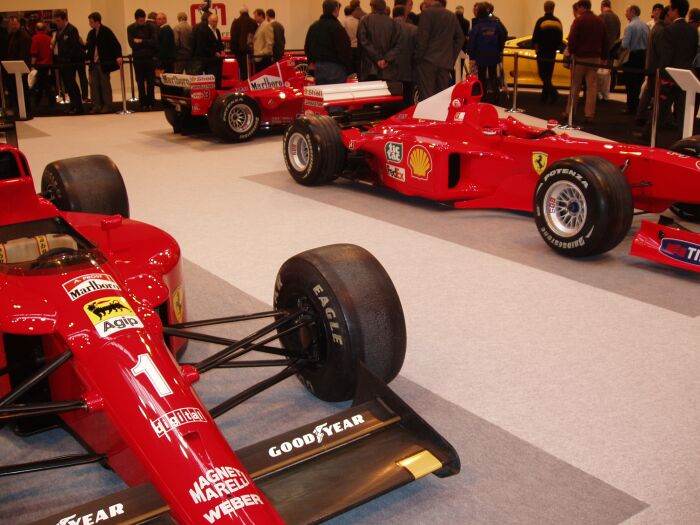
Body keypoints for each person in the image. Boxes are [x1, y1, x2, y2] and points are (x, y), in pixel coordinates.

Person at [653, 0, 698, 139]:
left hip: (671, 75)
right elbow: (693, 52)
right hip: (686, 76)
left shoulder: (669, 29)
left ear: (676, 10)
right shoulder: (693, 30)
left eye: (671, 9)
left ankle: (649, 134)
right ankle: (683, 138)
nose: (669, 12)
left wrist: (663, 76)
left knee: (661, 108)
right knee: (683, 111)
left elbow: (666, 55)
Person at [564, 0, 608, 123]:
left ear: (582, 7)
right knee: (591, 87)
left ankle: (570, 111)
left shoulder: (579, 20)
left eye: (578, 8)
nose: (577, 10)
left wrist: (571, 52)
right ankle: (589, 114)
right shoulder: (599, 20)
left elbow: (572, 38)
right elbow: (605, 40)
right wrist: (604, 57)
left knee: (575, 86)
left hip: (580, 58)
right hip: (594, 58)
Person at [415, 0, 463, 100]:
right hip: (445, 63)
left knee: (427, 99)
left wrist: (417, 58)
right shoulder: (451, 16)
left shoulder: (427, 13)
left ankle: (427, 116)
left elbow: (422, 39)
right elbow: (460, 38)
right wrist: (451, 57)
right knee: (441, 99)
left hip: (427, 62)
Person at [304, 0, 353, 85]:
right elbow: (344, 50)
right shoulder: (337, 27)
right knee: (336, 95)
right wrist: (349, 69)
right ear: (336, 9)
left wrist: (311, 62)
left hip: (318, 68)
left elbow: (307, 46)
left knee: (323, 96)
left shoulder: (313, 27)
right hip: (336, 69)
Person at [635, 5, 668, 126]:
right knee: (651, 92)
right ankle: (647, 120)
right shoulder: (661, 30)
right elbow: (660, 52)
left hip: (651, 66)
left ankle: (641, 116)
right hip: (656, 68)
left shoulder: (656, 28)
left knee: (648, 91)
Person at [85, 12, 122, 114]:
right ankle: (96, 105)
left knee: (105, 84)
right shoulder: (91, 33)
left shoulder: (106, 31)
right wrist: (87, 57)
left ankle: (107, 105)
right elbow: (89, 48)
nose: (90, 23)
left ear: (97, 21)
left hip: (103, 63)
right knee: (93, 84)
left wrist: (119, 56)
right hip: (93, 64)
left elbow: (116, 44)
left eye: (91, 21)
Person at [468, 2, 505, 103]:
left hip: (481, 54)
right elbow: (502, 36)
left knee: (482, 76)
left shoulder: (477, 26)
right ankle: (496, 95)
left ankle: (483, 96)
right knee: (493, 75)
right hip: (493, 53)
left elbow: (472, 41)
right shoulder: (495, 24)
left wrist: (472, 55)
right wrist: (499, 49)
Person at [357, 0, 402, 81]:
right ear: (385, 8)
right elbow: (398, 45)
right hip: (388, 69)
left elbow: (363, 41)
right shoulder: (394, 23)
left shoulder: (365, 20)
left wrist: (377, 58)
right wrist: (386, 59)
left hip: (369, 69)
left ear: (372, 7)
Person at [532, 1, 564, 103]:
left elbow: (535, 36)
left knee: (542, 73)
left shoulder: (541, 21)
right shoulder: (558, 22)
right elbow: (560, 39)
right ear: (553, 8)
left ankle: (554, 93)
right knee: (548, 74)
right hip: (552, 52)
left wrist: (536, 48)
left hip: (542, 51)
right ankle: (544, 97)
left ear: (545, 8)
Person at [53, 10, 84, 115]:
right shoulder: (59, 31)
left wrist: (68, 58)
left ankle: (78, 106)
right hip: (63, 62)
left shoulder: (72, 29)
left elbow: (75, 46)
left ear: (64, 20)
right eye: (56, 21)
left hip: (70, 62)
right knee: (68, 85)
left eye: (58, 21)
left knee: (72, 84)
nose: (57, 23)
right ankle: (73, 105)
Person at [127, 9, 158, 111]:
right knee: (140, 81)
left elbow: (154, 42)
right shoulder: (130, 28)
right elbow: (132, 44)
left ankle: (151, 102)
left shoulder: (151, 26)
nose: (142, 21)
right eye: (140, 20)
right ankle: (143, 103)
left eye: (143, 20)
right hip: (138, 59)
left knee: (150, 81)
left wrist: (141, 41)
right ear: (136, 19)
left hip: (149, 58)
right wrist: (146, 42)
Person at [620, 5, 648, 114]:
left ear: (632, 12)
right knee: (638, 82)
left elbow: (625, 44)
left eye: (627, 11)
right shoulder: (645, 25)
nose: (626, 14)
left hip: (632, 57)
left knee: (630, 83)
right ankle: (637, 107)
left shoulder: (630, 26)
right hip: (643, 57)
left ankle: (630, 107)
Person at [393, 5, 418, 106]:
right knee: (407, 102)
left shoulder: (387, 28)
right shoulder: (414, 29)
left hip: (390, 72)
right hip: (409, 71)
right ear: (405, 15)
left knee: (391, 103)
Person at [7, 16, 32, 117]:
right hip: (14, 68)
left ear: (19, 24)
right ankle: (20, 110)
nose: (13, 26)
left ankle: (26, 111)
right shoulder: (12, 35)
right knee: (16, 90)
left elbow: (24, 54)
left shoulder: (24, 36)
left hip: (20, 68)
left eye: (14, 24)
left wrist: (21, 67)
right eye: (11, 24)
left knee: (23, 90)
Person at [193, 12, 224, 87]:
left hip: (218, 61)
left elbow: (219, 43)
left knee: (218, 80)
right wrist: (214, 53)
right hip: (210, 61)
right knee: (212, 81)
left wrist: (222, 51)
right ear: (209, 21)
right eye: (213, 21)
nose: (215, 23)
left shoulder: (217, 31)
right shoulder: (204, 31)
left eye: (216, 21)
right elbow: (203, 46)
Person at [598, 0, 620, 101]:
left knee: (599, 72)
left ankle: (599, 93)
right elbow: (618, 36)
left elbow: (598, 34)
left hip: (602, 50)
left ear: (602, 6)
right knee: (607, 73)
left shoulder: (602, 16)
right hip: (612, 50)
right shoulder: (616, 18)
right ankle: (606, 94)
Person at [31, 22, 55, 108]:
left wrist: (32, 65)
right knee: (46, 84)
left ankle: (37, 104)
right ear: (45, 29)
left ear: (36, 29)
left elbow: (34, 53)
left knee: (41, 85)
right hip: (49, 64)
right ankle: (52, 103)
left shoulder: (34, 38)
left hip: (39, 65)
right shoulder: (49, 38)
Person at [230, 6, 258, 80]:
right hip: (251, 52)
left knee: (242, 71)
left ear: (240, 13)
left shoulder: (235, 22)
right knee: (252, 71)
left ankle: (243, 86)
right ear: (247, 12)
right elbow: (256, 37)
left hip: (239, 53)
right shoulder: (253, 22)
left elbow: (233, 38)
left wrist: (235, 51)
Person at [253, 8, 273, 72]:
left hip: (263, 59)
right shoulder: (260, 26)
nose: (254, 18)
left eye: (256, 16)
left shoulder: (267, 25)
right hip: (259, 58)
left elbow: (270, 42)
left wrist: (262, 53)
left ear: (261, 16)